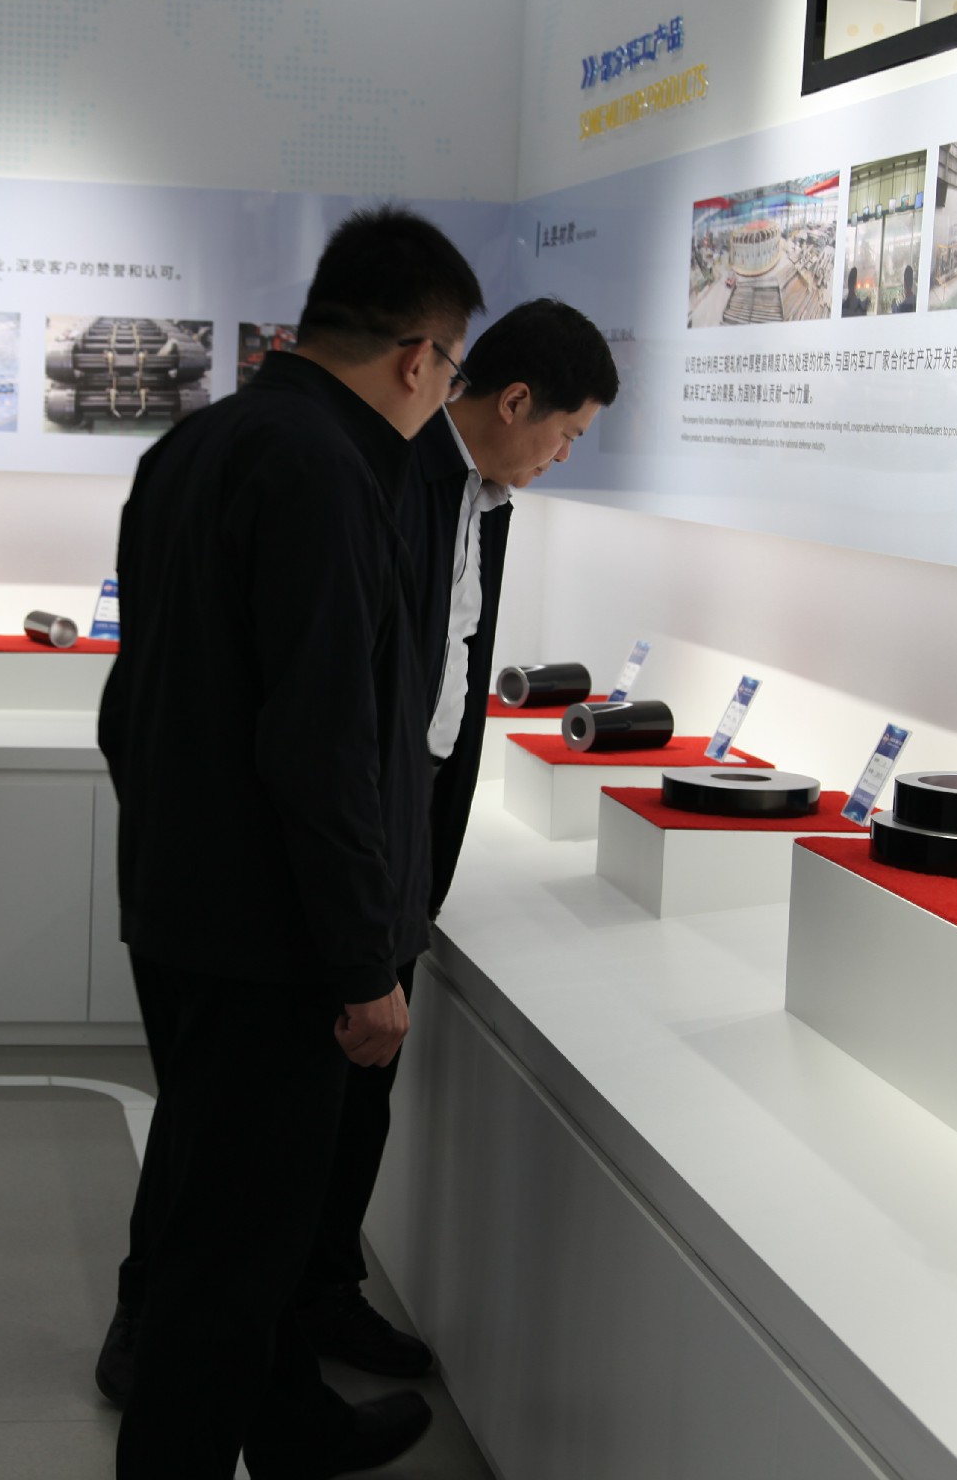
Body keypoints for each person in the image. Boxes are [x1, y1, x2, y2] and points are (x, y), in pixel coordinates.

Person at [97, 206, 481, 1477]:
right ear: (419, 357)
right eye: (451, 369)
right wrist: (365, 960)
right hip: (274, 947)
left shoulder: (195, 444)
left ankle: (293, 1420)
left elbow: (130, 705)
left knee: (229, 1217)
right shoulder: (330, 474)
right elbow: (323, 745)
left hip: (184, 908)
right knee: (230, 1256)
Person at [291, 298, 617, 1374]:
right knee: (276, 1112)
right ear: (515, 400)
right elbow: (340, 719)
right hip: (356, 831)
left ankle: (320, 1301)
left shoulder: (485, 499)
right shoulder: (391, 481)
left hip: (411, 825)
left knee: (356, 1103)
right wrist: (364, 924)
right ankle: (183, 1328)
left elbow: (451, 683)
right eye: (566, 433)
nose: (562, 457)